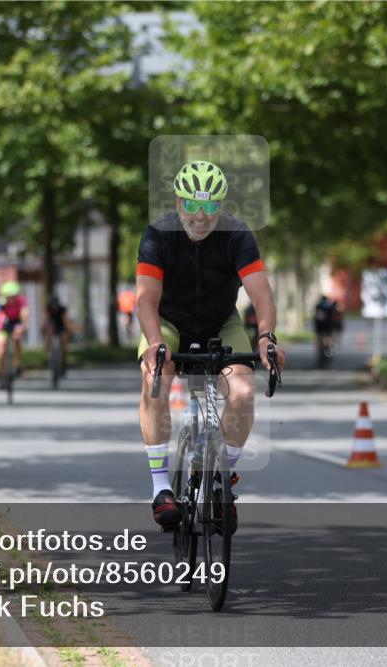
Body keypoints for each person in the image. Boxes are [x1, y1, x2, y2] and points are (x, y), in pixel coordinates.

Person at [136, 160, 285, 532]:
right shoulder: (158, 234)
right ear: (177, 201)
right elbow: (145, 301)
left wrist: (266, 337)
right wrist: (156, 343)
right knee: (156, 374)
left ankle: (220, 483)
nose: (200, 216)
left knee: (243, 389)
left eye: (210, 206)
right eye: (192, 205)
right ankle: (161, 489)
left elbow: (262, 297)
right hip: (168, 323)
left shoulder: (237, 235)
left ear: (221, 206)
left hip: (221, 323)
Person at [0, 280, 27, 385]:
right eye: (9, 296)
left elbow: (24, 313)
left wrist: (23, 326)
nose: (12, 299)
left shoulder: (21, 301)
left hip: (16, 322)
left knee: (17, 338)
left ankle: (17, 364)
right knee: (1, 349)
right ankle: (1, 373)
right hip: (3, 323)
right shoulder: (0, 302)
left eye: (14, 296)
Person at [43, 295, 74, 374]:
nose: (55, 308)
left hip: (61, 326)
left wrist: (69, 330)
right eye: (53, 306)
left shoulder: (62, 310)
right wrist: (45, 328)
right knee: (49, 335)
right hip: (52, 326)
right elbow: (46, 320)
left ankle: (64, 362)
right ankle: (50, 355)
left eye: (56, 306)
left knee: (63, 344)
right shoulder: (48, 309)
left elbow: (66, 320)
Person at [313, 295, 342, 368]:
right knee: (328, 340)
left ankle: (319, 352)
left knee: (319, 341)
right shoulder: (330, 307)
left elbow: (316, 318)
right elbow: (335, 317)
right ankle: (328, 351)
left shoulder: (318, 306)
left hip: (320, 328)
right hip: (328, 328)